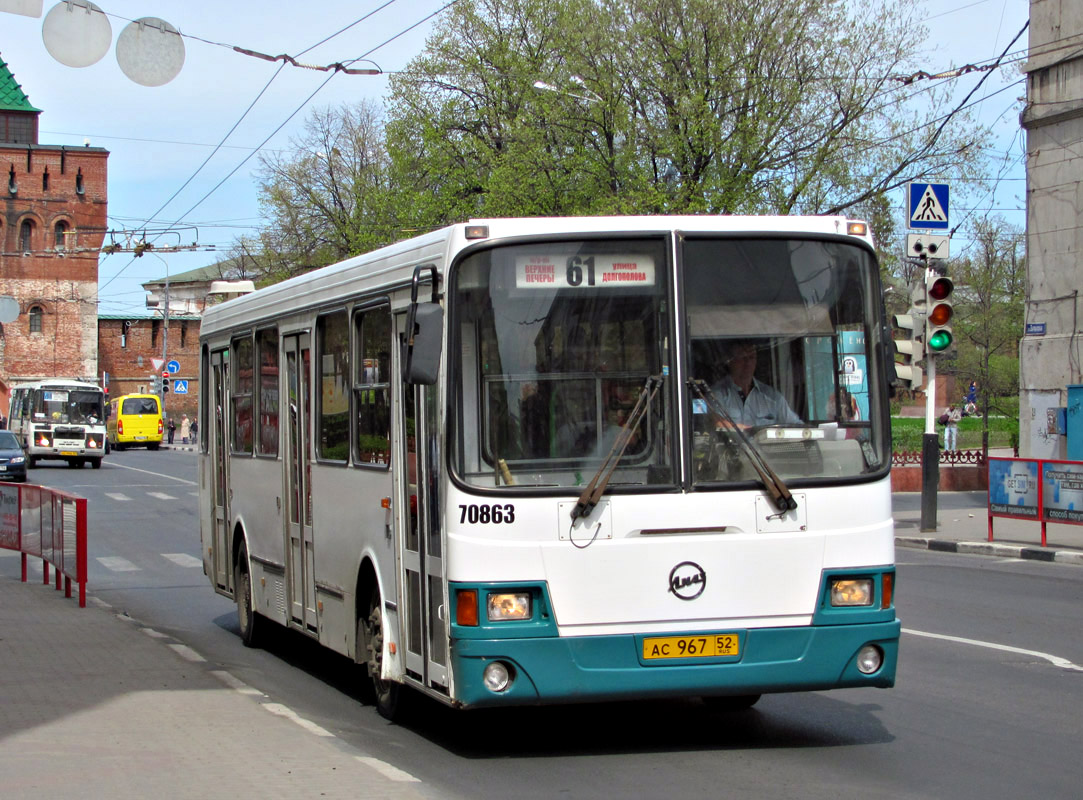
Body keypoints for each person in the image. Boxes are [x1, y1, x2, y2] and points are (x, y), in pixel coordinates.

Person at [711, 340, 801, 428]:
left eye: (751, 358)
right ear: (730, 362)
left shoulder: (772, 397)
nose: (748, 363)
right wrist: (752, 432)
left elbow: (796, 426)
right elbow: (717, 422)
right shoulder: (717, 394)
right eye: (742, 358)